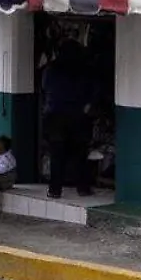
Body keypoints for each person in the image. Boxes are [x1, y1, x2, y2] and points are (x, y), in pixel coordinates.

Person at [40, 41, 94, 199]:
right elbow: (93, 90)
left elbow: (45, 87)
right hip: (77, 115)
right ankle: (82, 188)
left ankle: (55, 189)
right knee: (80, 153)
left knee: (57, 154)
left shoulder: (51, 69)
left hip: (54, 115)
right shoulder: (84, 69)